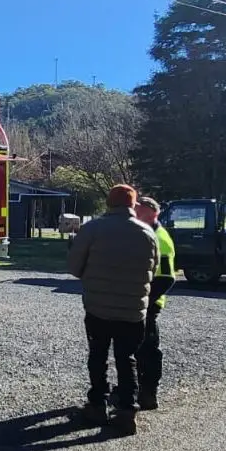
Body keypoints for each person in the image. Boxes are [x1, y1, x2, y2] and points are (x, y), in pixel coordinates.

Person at [66, 184, 158, 435]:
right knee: (126, 358)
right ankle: (128, 411)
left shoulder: (93, 229)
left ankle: (97, 405)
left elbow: (74, 268)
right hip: (133, 310)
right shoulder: (148, 233)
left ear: (109, 202)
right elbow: (155, 268)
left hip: (99, 308)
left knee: (98, 356)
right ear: (132, 204)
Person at [133, 196, 176, 410]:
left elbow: (167, 277)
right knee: (134, 348)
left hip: (149, 302)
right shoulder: (143, 233)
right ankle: (135, 388)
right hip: (138, 300)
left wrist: (148, 302)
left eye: (138, 210)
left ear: (152, 213)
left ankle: (149, 393)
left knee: (149, 349)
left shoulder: (160, 238)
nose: (134, 214)